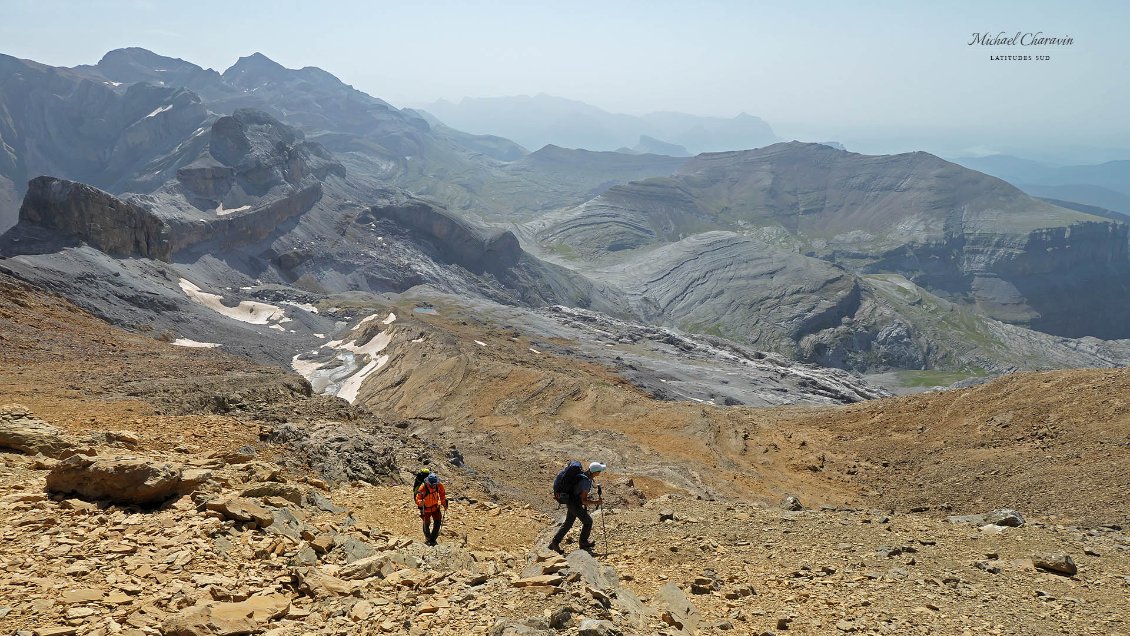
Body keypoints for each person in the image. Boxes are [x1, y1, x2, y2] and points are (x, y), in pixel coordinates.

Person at [548, 461, 605, 554]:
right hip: (574, 504)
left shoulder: (584, 475)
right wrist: (597, 502)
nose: (600, 473)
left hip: (571, 501)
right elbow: (584, 500)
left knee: (568, 523)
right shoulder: (586, 481)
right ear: (595, 472)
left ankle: (554, 543)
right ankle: (583, 542)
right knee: (588, 521)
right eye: (600, 471)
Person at [414, 473, 448, 546]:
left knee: (438, 522)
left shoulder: (439, 485)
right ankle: (428, 538)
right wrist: (420, 503)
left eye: (434, 484)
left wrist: (444, 504)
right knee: (426, 523)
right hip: (426, 509)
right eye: (432, 484)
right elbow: (418, 498)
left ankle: (433, 540)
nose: (433, 486)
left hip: (436, 507)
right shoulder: (423, 488)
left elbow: (442, 495)